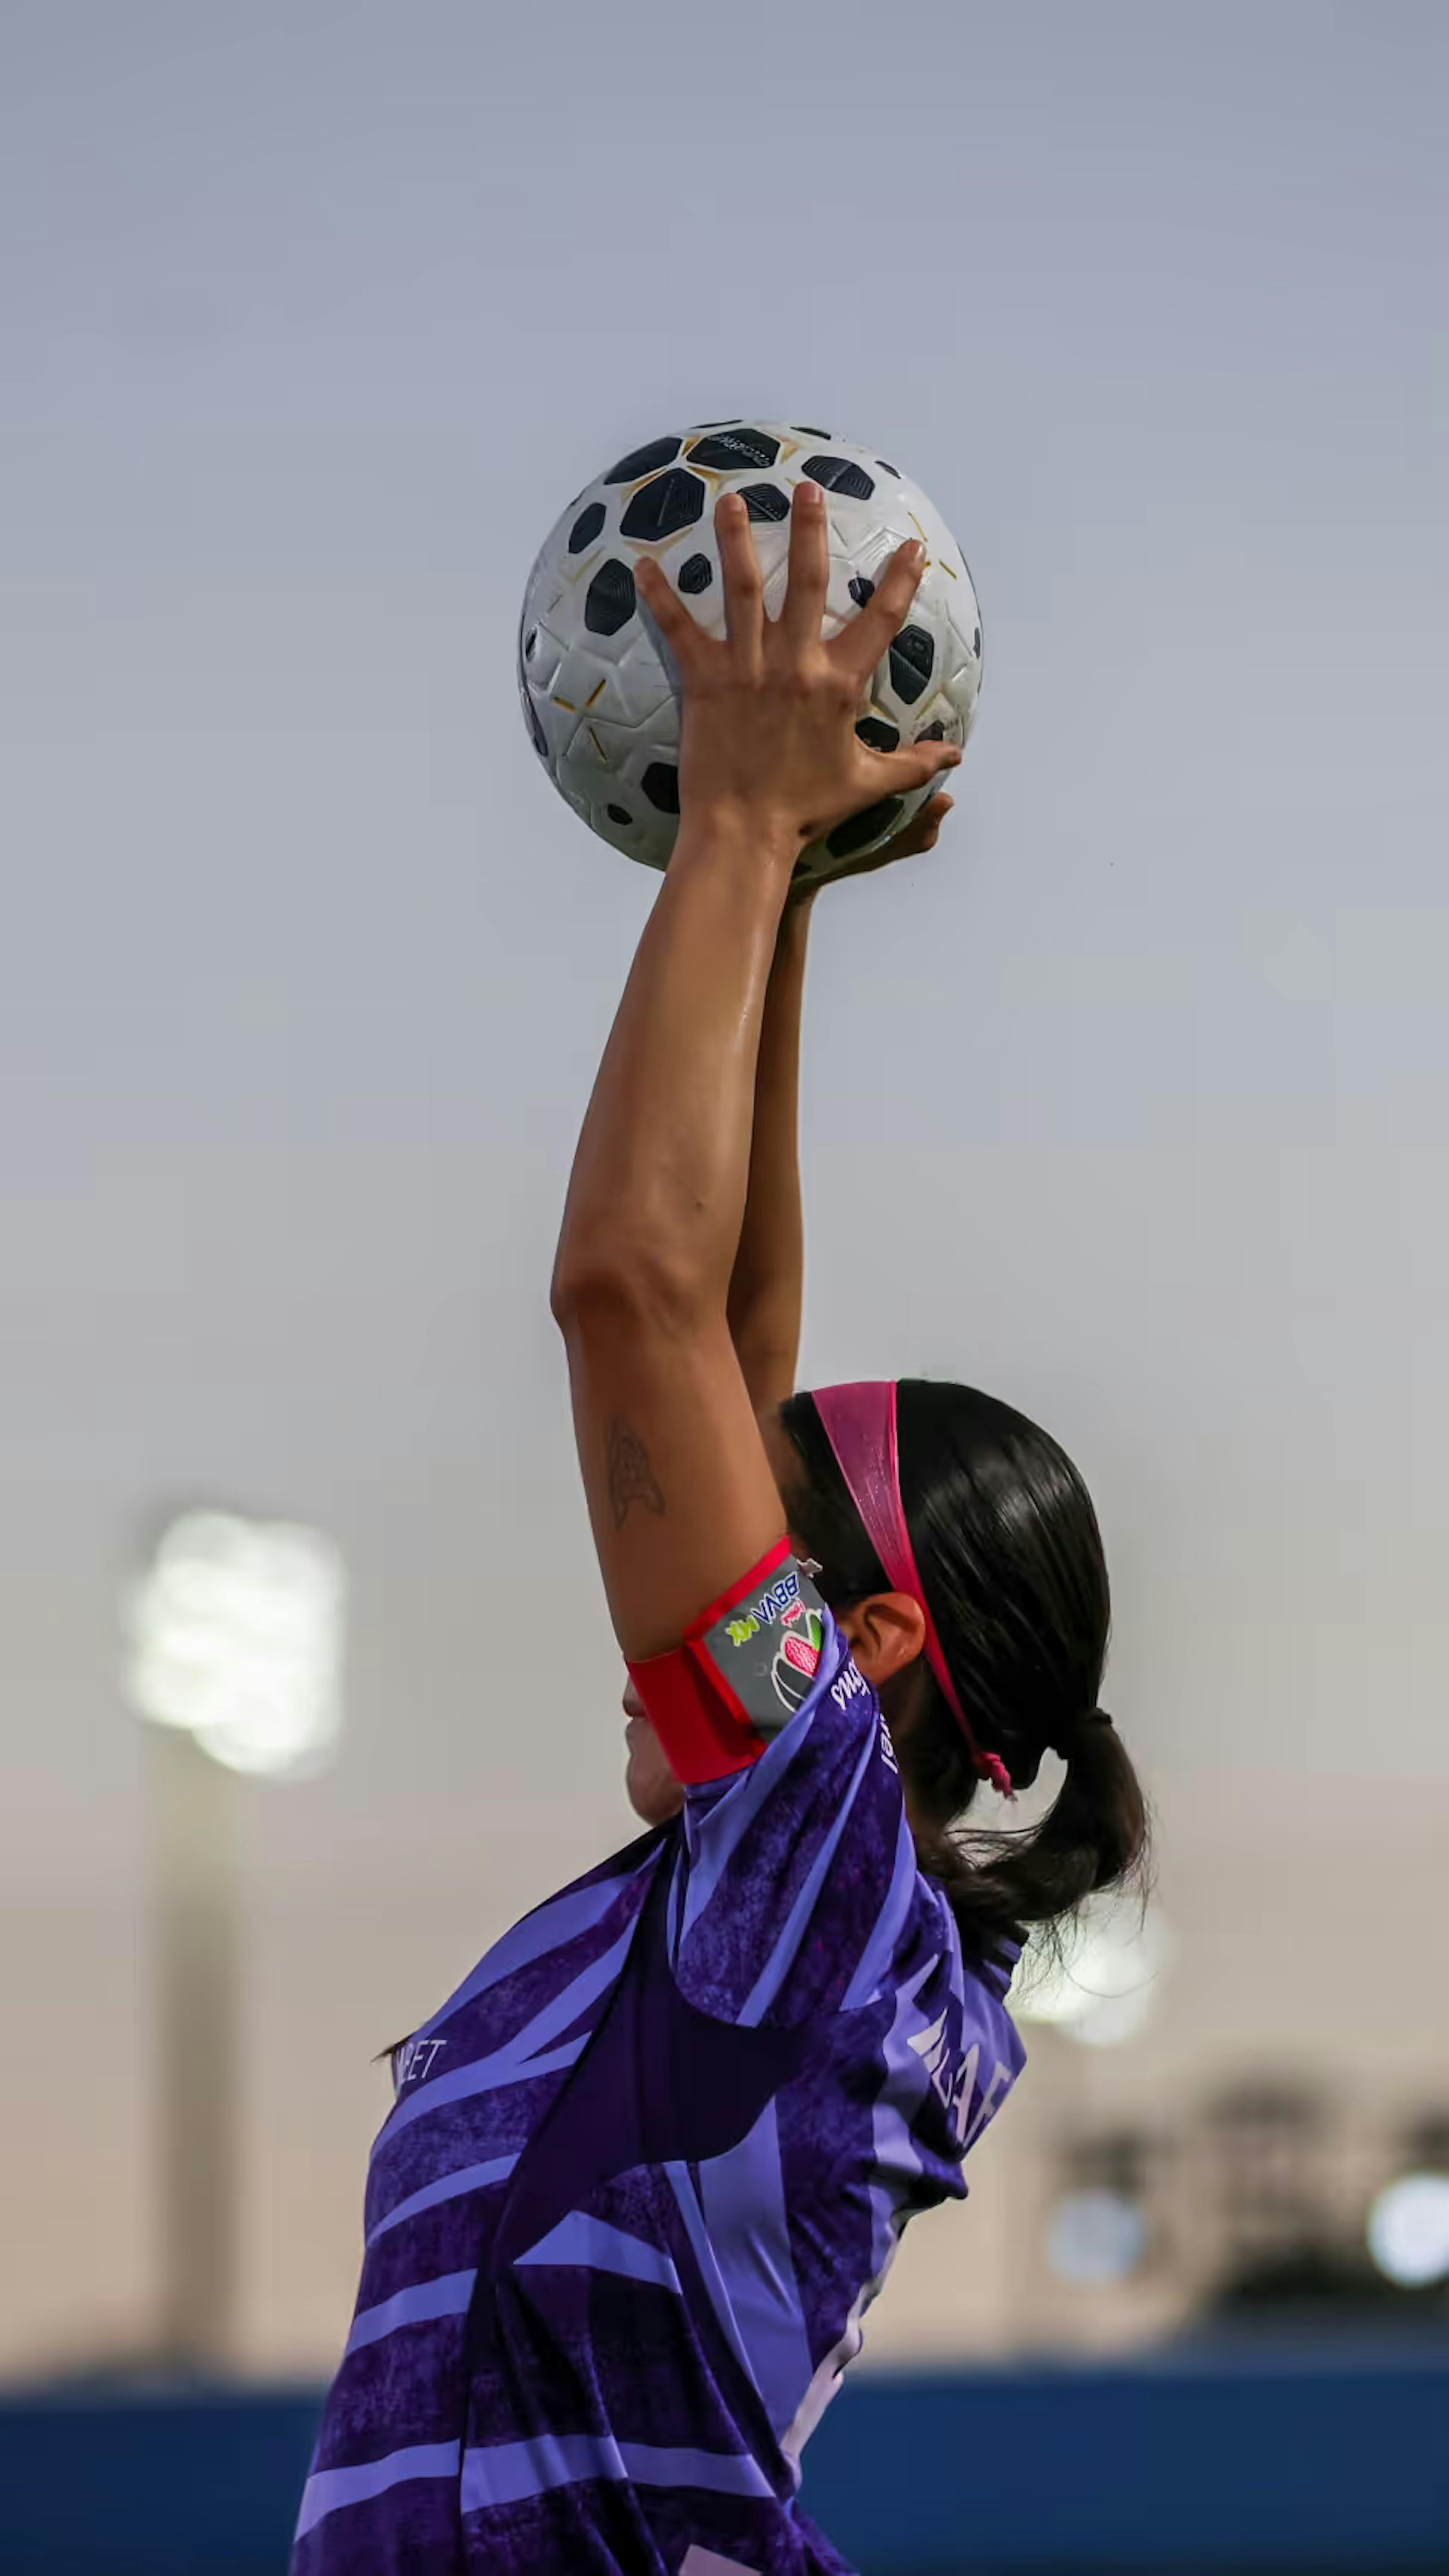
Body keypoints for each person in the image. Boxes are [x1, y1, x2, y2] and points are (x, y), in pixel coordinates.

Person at [293, 483, 1149, 2574]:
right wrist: (794, 899)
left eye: (770, 1539)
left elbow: (635, 1299)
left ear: (860, 1649)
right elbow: (723, 1339)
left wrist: (741, 836)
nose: (683, 1560)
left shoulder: (818, 1885)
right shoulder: (799, 1896)